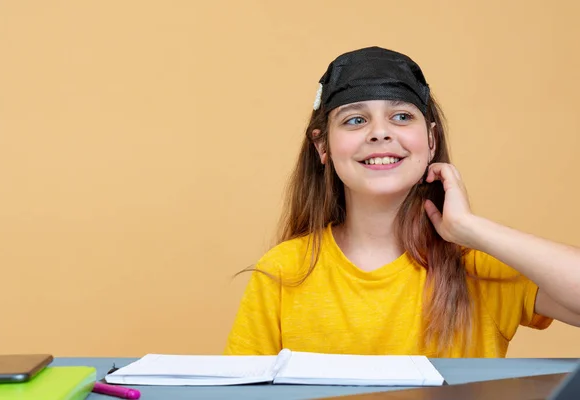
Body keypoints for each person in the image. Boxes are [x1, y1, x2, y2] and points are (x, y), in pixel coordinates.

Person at [224, 47, 580, 357]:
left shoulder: (479, 264)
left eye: (401, 116)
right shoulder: (285, 270)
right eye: (355, 120)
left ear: (430, 139)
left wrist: (471, 229)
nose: (380, 132)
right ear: (322, 147)